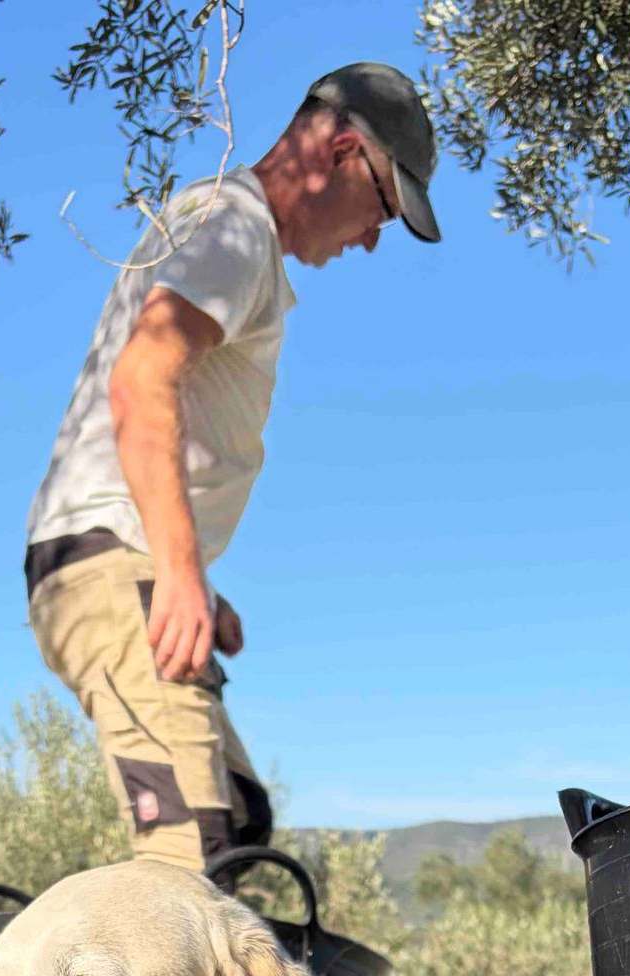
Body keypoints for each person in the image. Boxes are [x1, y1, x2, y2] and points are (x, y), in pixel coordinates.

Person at [25, 62, 441, 872]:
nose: (371, 239)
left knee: (240, 826)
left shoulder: (231, 232)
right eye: (385, 207)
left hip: (112, 556)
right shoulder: (233, 226)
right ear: (343, 151)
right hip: (109, 562)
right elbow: (141, 379)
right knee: (190, 861)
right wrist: (180, 575)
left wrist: (194, 583)